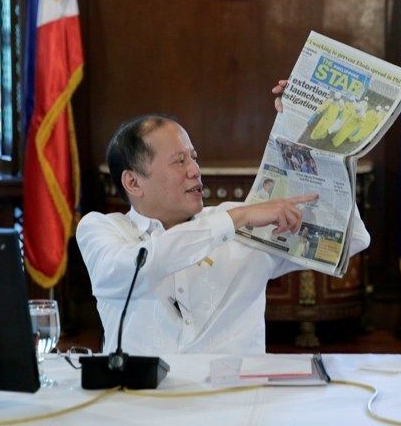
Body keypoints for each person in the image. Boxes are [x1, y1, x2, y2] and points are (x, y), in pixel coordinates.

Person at [77, 86, 370, 356]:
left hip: (236, 402)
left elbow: (351, 239)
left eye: (194, 158)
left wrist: (325, 150)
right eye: (179, 161)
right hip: (144, 404)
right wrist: (236, 218)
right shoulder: (103, 230)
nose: (194, 170)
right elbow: (137, 267)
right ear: (133, 182)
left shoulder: (240, 223)